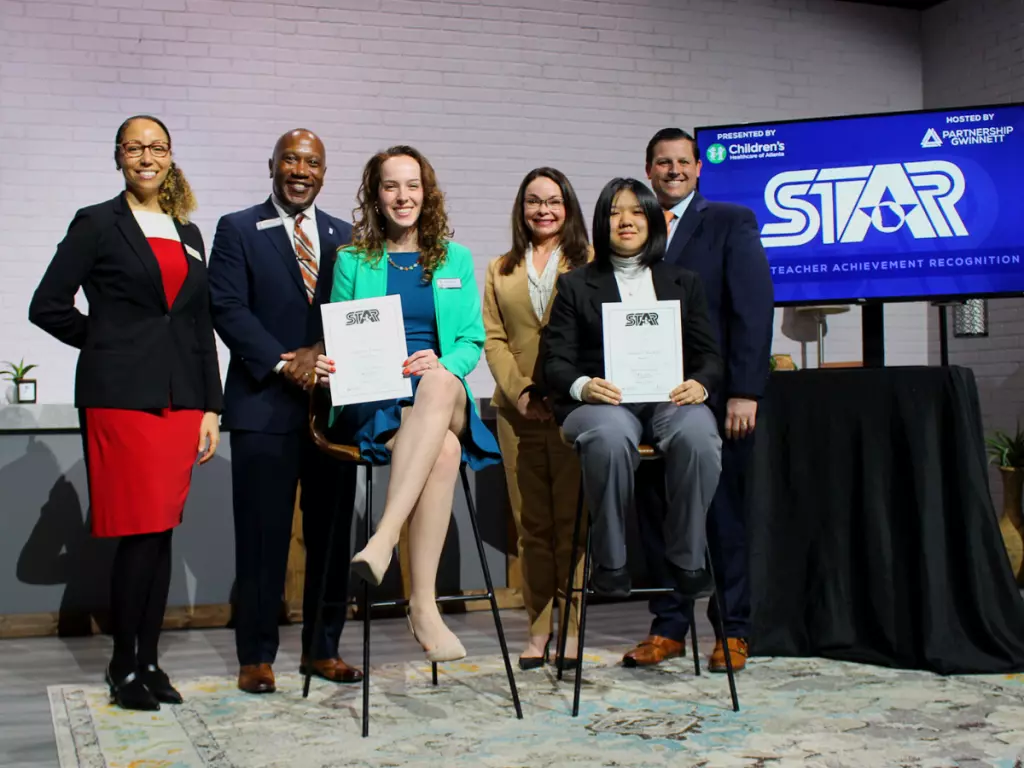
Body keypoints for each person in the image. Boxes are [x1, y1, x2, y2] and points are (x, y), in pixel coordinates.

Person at [28, 115, 222, 711]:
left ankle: (150, 660)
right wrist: (108, 342)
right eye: (135, 147)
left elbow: (198, 323)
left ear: (170, 158)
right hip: (121, 400)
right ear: (118, 156)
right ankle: (122, 666)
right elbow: (47, 306)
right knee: (138, 532)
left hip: (181, 402)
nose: (147, 156)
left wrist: (212, 407)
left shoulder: (188, 231)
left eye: (157, 147)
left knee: (161, 532)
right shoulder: (96, 223)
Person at [314, 145, 500, 662]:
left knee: (441, 381)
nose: (403, 196)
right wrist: (332, 364)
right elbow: (344, 331)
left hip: (439, 387)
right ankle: (423, 606)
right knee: (441, 452)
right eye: (391, 186)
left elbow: (470, 340)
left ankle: (383, 539)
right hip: (379, 397)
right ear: (376, 194)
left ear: (427, 191)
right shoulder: (352, 259)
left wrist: (443, 362)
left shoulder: (454, 259)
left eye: (412, 185)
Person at [207, 129, 360, 695]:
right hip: (262, 406)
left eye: (312, 162)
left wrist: (317, 355)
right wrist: (281, 361)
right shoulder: (237, 228)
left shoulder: (346, 237)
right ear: (272, 165)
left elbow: (358, 312)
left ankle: (324, 650)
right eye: (291, 159)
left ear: (324, 173)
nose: (301, 169)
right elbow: (225, 306)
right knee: (262, 537)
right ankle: (256, 656)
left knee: (331, 537)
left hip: (331, 411)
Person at [624, 127, 774, 672]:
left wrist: (744, 392)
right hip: (647, 400)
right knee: (659, 519)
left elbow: (753, 312)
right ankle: (668, 627)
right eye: (663, 163)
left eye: (683, 162)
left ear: (698, 168)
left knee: (723, 516)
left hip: (716, 401)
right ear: (649, 169)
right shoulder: (633, 226)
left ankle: (733, 630)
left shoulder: (730, 222)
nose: (673, 171)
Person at [541, 177, 723, 603]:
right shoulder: (574, 285)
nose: (626, 221)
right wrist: (584, 386)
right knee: (609, 435)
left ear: (653, 221)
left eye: (637, 211)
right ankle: (611, 559)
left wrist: (701, 383)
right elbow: (555, 361)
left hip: (668, 401)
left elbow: (710, 356)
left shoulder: (684, 282)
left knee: (699, 434)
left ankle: (687, 556)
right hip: (604, 404)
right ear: (602, 222)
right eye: (615, 212)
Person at [482, 167, 590, 669]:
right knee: (531, 525)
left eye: (553, 200)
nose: (542, 210)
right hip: (517, 411)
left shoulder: (589, 263)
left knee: (572, 522)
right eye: (532, 201)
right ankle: (538, 627)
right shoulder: (499, 268)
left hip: (573, 409)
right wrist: (521, 391)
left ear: (568, 207)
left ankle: (570, 627)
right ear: (520, 208)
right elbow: (494, 339)